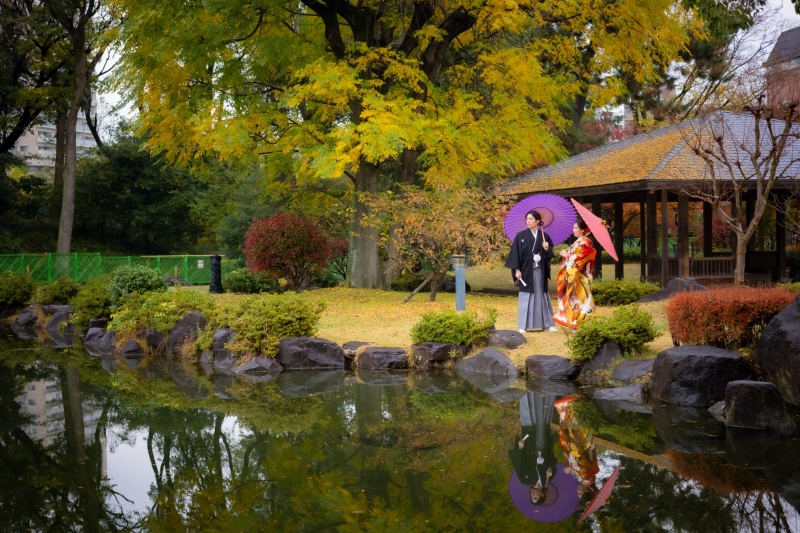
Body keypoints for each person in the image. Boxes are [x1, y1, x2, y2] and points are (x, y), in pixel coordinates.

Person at [505, 210, 557, 334]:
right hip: (526, 271)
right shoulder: (521, 236)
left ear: (537, 221)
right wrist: (517, 270)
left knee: (542, 295)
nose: (528, 221)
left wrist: (547, 249)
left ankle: (548, 324)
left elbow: (550, 256)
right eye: (527, 219)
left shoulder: (545, 236)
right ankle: (523, 325)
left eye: (531, 219)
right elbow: (515, 254)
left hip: (540, 270)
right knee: (526, 296)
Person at [508, 392, 558, 504]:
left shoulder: (525, 480)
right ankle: (547, 391)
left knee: (528, 417)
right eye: (535, 498)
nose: (532, 495)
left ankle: (526, 390)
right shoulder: (549, 478)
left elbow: (518, 463)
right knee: (544, 417)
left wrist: (520, 448)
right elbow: (553, 458)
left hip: (530, 445)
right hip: (543, 444)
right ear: (542, 494)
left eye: (531, 498)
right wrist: (550, 467)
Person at [553, 219, 597, 329]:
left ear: (583, 230)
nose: (573, 230)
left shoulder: (584, 243)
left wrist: (567, 255)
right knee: (576, 298)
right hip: (573, 275)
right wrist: (567, 255)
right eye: (573, 228)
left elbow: (579, 259)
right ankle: (575, 322)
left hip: (577, 275)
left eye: (576, 228)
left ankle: (578, 322)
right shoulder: (579, 242)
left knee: (579, 298)